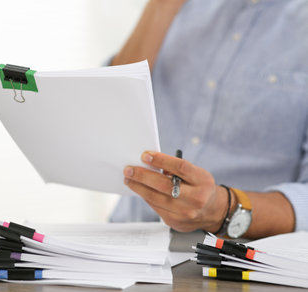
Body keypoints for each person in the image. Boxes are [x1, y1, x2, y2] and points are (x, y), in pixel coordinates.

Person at [110, 0, 308, 239]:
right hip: (124, 236)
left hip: (231, 259)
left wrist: (223, 208)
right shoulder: (179, 7)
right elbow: (107, 113)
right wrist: (160, 8)